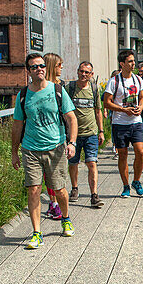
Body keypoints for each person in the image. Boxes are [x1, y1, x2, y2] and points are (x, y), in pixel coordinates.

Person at [11, 52, 77, 249]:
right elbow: (17, 125)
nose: (39, 69)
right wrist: (14, 152)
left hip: (55, 147)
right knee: (33, 190)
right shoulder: (23, 95)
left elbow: (71, 118)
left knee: (59, 190)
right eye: (34, 67)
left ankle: (65, 218)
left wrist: (71, 142)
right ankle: (36, 232)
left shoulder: (57, 90)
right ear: (28, 71)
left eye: (41, 66)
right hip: (30, 149)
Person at [103, 49, 143, 198]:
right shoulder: (114, 81)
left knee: (140, 152)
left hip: (136, 122)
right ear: (122, 64)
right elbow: (106, 103)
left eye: (133, 61)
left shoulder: (137, 79)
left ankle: (137, 181)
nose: (133, 64)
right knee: (123, 154)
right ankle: (126, 185)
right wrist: (123, 109)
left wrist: (140, 107)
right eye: (130, 61)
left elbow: (142, 97)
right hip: (120, 123)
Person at [66, 61, 105, 208]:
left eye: (86, 72)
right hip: (73, 135)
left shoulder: (94, 89)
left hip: (91, 133)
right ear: (77, 71)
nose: (83, 74)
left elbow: (98, 111)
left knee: (91, 162)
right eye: (81, 71)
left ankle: (94, 195)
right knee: (73, 163)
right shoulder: (69, 88)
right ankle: (75, 188)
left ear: (91, 75)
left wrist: (101, 131)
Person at [42, 52, 65, 219]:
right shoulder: (40, 87)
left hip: (59, 134)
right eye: (59, 65)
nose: (62, 68)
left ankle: (56, 203)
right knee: (47, 172)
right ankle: (53, 203)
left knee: (56, 172)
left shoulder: (61, 86)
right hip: (43, 134)